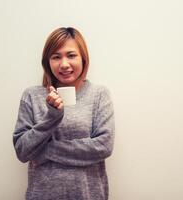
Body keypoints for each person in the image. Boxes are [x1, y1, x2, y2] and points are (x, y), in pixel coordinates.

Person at [13, 27, 115, 200]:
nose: (64, 64)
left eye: (71, 55)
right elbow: (22, 150)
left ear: (83, 58)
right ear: (47, 62)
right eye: (56, 57)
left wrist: (44, 151)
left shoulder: (98, 95)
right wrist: (52, 117)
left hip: (89, 195)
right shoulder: (32, 96)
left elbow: (103, 146)